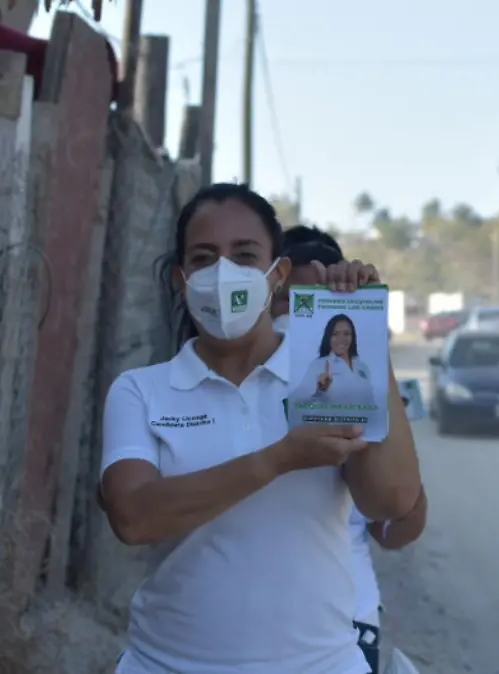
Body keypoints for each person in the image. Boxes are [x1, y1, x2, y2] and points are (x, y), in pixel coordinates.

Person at [99, 184, 422, 674]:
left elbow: (391, 503)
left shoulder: (324, 375)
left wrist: (366, 332)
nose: (223, 273)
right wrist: (279, 458)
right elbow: (133, 517)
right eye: (204, 258)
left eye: (245, 255)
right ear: (180, 278)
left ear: (278, 274)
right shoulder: (141, 390)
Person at [273, 225, 427, 674]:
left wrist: (369, 330)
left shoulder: (357, 386)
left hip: (346, 628)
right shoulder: (235, 392)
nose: (294, 319)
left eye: (312, 305)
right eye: (287, 302)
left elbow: (396, 527)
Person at [293, 314, 378, 409]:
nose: (341, 339)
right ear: (328, 337)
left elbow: (371, 405)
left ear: (352, 337)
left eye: (346, 334)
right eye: (335, 334)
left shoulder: (363, 368)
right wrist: (319, 391)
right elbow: (296, 401)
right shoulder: (318, 365)